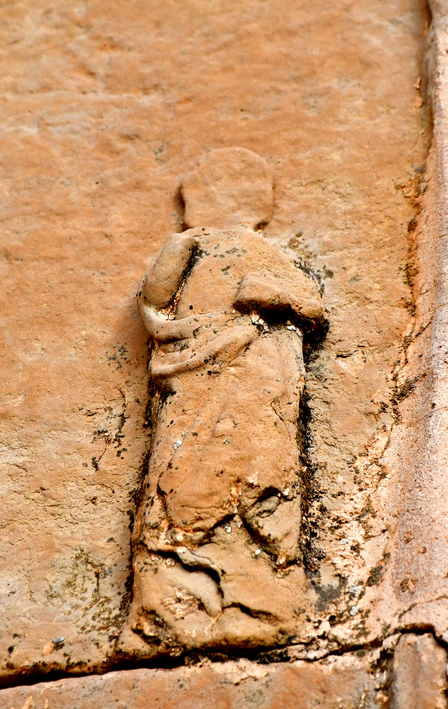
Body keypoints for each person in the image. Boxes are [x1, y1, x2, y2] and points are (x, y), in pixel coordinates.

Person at [128, 147, 326, 651]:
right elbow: (152, 302)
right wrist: (170, 329)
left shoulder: (276, 257)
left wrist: (274, 297)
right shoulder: (189, 245)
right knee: (187, 471)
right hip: (199, 371)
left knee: (264, 470)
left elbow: (312, 309)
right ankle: (172, 603)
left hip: (261, 375)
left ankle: (261, 599)